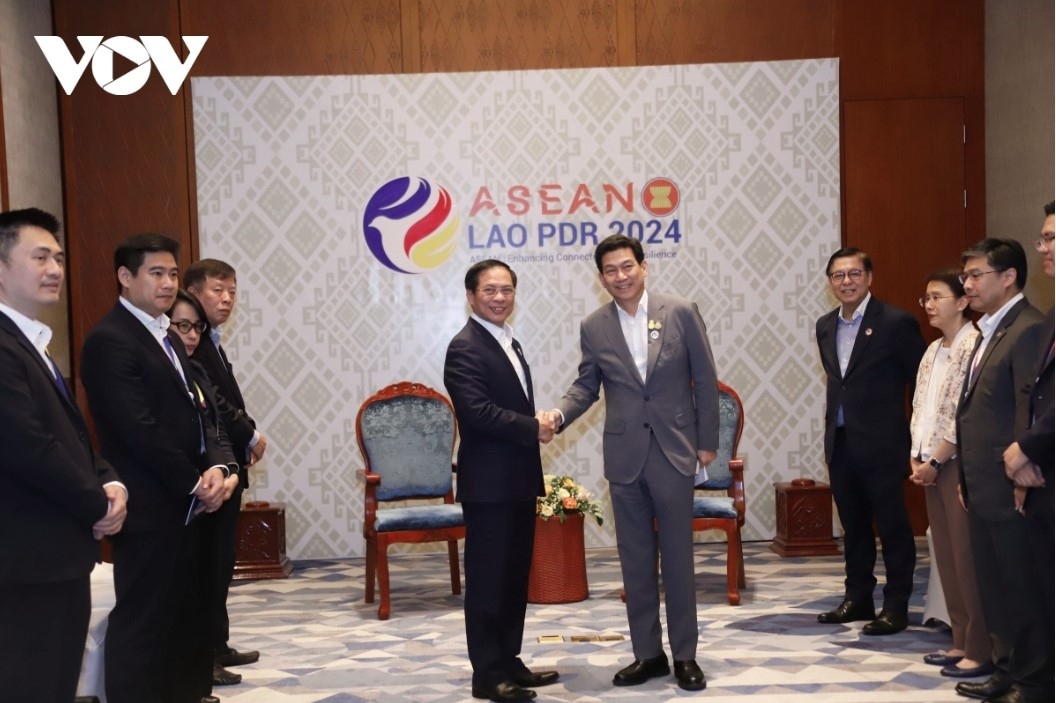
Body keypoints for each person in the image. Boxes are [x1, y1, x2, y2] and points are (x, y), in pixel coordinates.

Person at [541, 234, 718, 692]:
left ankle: (685, 655)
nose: (620, 277)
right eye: (610, 271)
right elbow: (586, 386)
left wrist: (708, 442)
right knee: (635, 560)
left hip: (675, 450)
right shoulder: (594, 325)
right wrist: (558, 415)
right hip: (624, 457)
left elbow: (705, 377)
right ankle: (648, 654)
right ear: (600, 278)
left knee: (678, 560)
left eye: (627, 267)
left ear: (644, 266)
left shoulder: (679, 310)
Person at [81, 233, 239, 703]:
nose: (169, 283)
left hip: (190, 502)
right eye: (156, 273)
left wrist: (216, 467)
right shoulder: (110, 341)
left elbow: (202, 410)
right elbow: (138, 430)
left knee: (187, 615)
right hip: (151, 505)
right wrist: (195, 482)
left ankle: (190, 694)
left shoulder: (167, 333)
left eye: (173, 273)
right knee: (145, 621)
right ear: (125, 278)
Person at [0, 208, 127, 703]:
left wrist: (110, 481)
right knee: (30, 683)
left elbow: (72, 435)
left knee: (53, 681)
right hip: (27, 559)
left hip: (57, 555)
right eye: (39, 257)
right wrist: (96, 506)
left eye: (57, 257)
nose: (54, 268)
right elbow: (27, 445)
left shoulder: (32, 343)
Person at [443, 259, 559, 703]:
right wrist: (534, 426)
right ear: (471, 296)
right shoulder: (466, 346)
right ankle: (487, 674)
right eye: (489, 290)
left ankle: (509, 661)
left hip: (517, 480)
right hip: (489, 485)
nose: (499, 297)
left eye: (506, 290)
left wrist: (535, 425)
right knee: (489, 581)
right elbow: (477, 413)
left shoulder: (509, 340)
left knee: (513, 578)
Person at [814, 247, 926, 635]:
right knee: (854, 526)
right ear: (830, 282)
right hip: (841, 442)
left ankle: (896, 605)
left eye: (854, 274)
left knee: (893, 528)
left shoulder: (896, 322)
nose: (846, 282)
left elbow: (921, 384)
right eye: (838, 276)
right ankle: (858, 597)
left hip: (884, 444)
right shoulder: (825, 324)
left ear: (869, 278)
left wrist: (918, 440)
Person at [953, 238, 1046, 703]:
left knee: (1020, 588)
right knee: (995, 585)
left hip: (1013, 482)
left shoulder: (1029, 327)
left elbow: (1027, 408)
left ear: (1008, 277)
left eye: (975, 275)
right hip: (983, 481)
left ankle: (1029, 682)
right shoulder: (988, 328)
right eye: (965, 276)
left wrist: (1022, 469)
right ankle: (1005, 670)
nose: (966, 284)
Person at [185, 259, 266, 684]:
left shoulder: (209, 340)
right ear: (194, 293)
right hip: (207, 475)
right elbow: (215, 404)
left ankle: (217, 645)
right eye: (218, 289)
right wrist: (250, 435)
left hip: (227, 467)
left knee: (222, 563)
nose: (227, 298)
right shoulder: (188, 345)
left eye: (232, 290)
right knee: (208, 566)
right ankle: (205, 658)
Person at [908, 269, 991, 677]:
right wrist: (916, 457)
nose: (929, 304)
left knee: (966, 558)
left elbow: (962, 414)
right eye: (926, 298)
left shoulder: (974, 346)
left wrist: (936, 460)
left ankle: (979, 646)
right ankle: (959, 641)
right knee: (945, 558)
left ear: (962, 302)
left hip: (953, 464)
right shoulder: (932, 350)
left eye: (937, 296)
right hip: (928, 464)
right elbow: (921, 409)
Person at [999, 204, 1055, 703]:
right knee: (1040, 589)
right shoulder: (1053, 314)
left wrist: (1027, 447)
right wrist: (1024, 459)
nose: (1043, 247)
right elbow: (1034, 394)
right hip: (1042, 475)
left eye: (1051, 238)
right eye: (1041, 238)